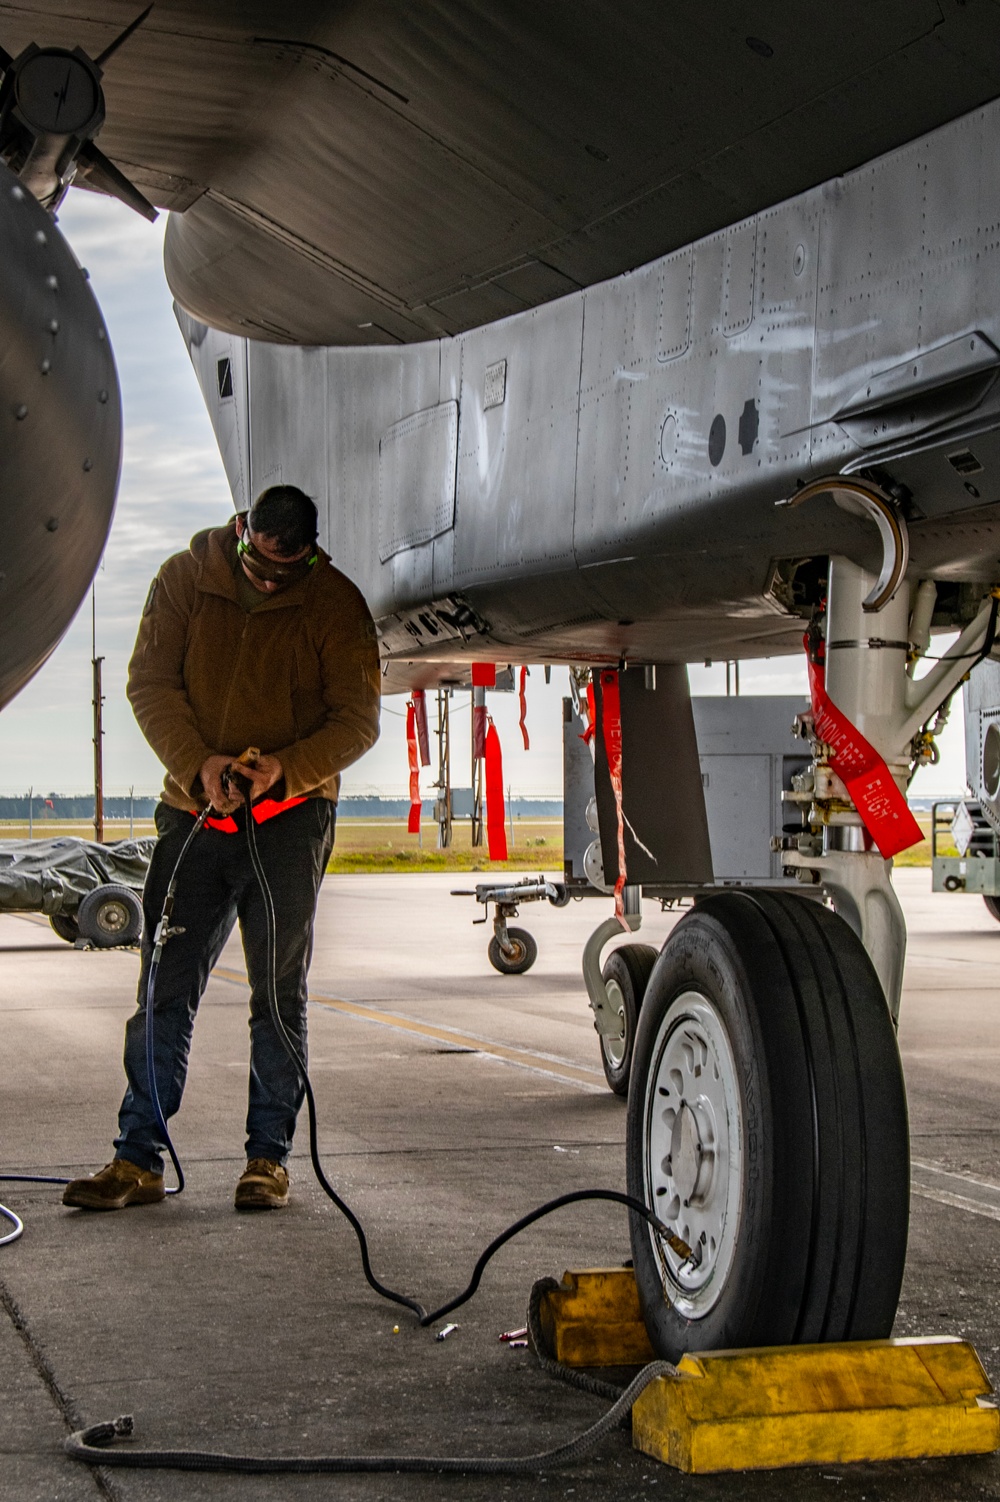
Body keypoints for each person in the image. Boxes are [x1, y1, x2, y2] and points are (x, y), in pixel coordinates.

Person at [63, 486, 380, 1212]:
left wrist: (285, 771)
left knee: (277, 995)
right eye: (262, 565)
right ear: (243, 535)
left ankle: (267, 1160)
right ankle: (136, 1157)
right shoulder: (183, 579)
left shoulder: (335, 604)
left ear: (308, 553)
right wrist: (198, 767)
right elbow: (150, 683)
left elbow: (357, 721)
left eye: (287, 571)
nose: (273, 580)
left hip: (291, 821)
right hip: (193, 815)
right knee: (162, 991)